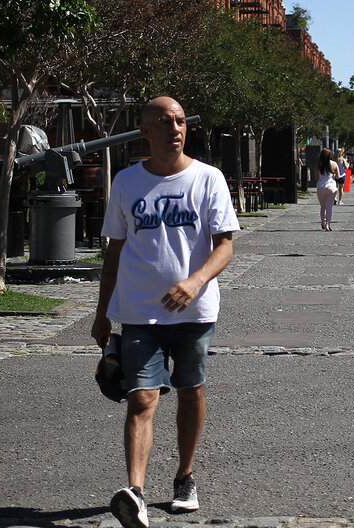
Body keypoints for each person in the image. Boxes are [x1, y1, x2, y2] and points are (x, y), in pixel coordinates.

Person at [92, 97, 240, 526]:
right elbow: (113, 254)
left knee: (190, 389)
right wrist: (102, 313)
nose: (175, 128)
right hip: (139, 312)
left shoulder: (208, 179)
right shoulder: (126, 182)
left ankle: (185, 477)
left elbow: (225, 245)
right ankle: (135, 493)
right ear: (145, 132)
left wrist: (195, 282)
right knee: (141, 397)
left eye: (179, 121)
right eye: (164, 122)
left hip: (195, 313)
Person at [315, 147, 340, 231]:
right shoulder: (334, 164)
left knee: (323, 207)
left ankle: (323, 223)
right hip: (331, 188)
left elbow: (316, 178)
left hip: (321, 187)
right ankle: (328, 225)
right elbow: (338, 176)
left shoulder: (318, 165)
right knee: (329, 207)